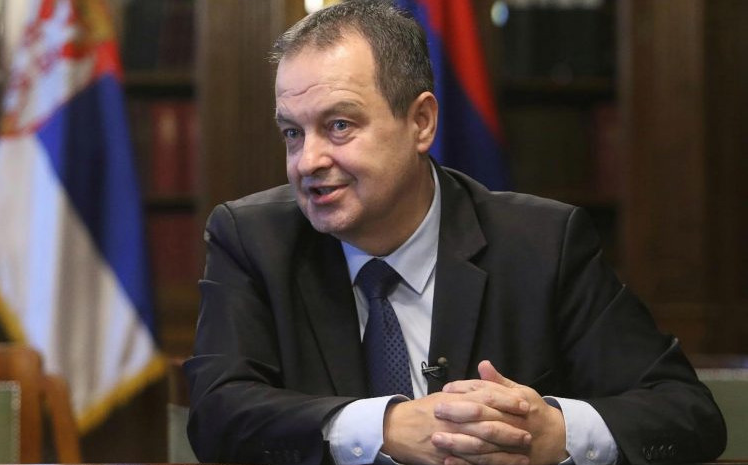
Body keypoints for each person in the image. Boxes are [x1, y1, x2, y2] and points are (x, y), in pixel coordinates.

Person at [184, 2, 726, 465]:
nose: (308, 160)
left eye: (339, 125)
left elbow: (686, 412)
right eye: (292, 132)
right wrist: (385, 427)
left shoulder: (542, 242)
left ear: (421, 122)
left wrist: (553, 433)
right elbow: (216, 416)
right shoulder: (253, 238)